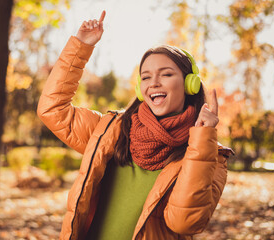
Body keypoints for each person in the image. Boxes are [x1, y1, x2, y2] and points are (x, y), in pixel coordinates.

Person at [37, 10, 233, 240]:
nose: (154, 83)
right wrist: (80, 47)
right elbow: (52, 110)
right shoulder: (112, 129)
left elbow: (184, 222)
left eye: (166, 74)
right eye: (146, 77)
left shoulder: (212, 155)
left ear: (190, 84)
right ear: (140, 89)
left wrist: (202, 139)